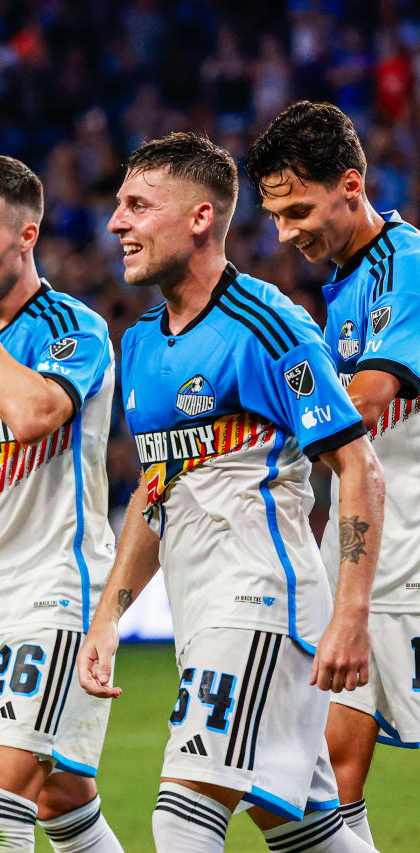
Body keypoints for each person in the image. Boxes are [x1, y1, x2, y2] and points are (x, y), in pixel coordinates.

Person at [77, 133, 383, 853]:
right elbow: (160, 492)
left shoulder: (266, 324)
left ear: (199, 218)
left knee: (181, 815)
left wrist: (351, 611)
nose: (117, 223)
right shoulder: (142, 343)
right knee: (305, 828)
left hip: (260, 600)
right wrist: (108, 618)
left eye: (138, 205)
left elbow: (358, 466)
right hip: (205, 607)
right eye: (118, 206)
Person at [0, 155, 123, 853]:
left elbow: (32, 413)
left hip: (53, 587)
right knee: (62, 795)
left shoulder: (74, 327)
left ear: (28, 235)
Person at [247, 100, 420, 847]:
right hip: (368, 548)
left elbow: (369, 397)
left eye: (300, 210)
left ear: (353, 183)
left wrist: (257, 439)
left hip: (408, 554)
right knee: (327, 767)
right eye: (277, 217)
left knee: (322, 764)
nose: (287, 234)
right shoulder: (346, 281)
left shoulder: (404, 267)